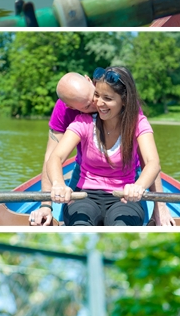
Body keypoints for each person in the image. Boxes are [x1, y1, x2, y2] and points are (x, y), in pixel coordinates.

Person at [30, 72, 172, 228]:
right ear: (71, 107)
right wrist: (47, 202)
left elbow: (150, 161)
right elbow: (52, 157)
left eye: (95, 95)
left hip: (126, 176)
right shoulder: (71, 115)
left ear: (90, 81)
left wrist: (159, 206)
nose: (98, 104)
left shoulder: (123, 102)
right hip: (87, 175)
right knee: (80, 219)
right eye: (87, 105)